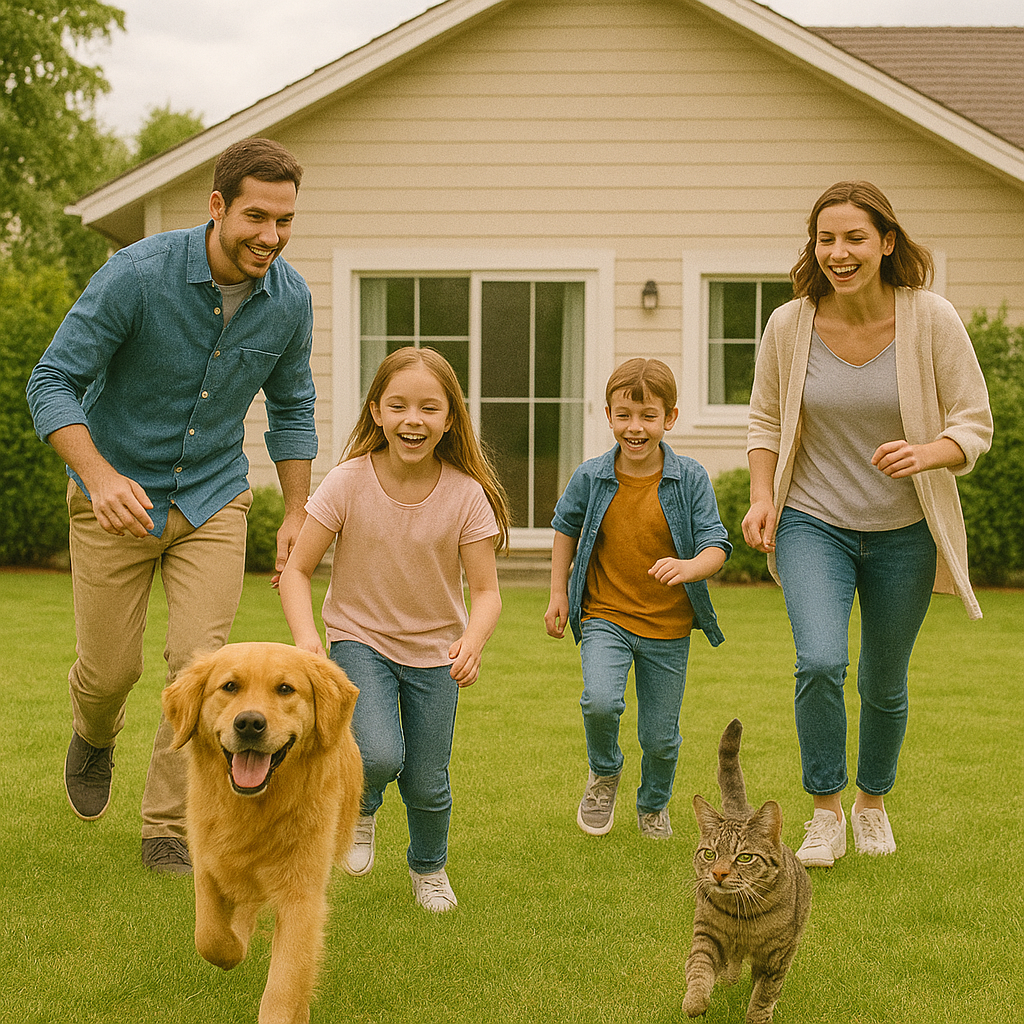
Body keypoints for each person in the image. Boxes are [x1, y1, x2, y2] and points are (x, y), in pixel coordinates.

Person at [26, 137, 318, 875]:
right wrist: (98, 475)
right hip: (114, 498)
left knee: (199, 666)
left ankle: (168, 826)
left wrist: (295, 512)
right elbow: (52, 381)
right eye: (257, 217)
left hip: (213, 498)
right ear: (217, 206)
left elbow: (292, 407)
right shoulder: (136, 276)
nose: (270, 237)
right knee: (111, 669)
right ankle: (94, 729)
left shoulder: (290, 300)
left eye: (284, 221)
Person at [741, 180, 992, 868]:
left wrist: (929, 450)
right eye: (826, 238)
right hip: (811, 521)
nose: (838, 252)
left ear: (886, 243)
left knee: (884, 678)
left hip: (904, 528)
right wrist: (763, 497)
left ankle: (872, 803)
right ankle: (824, 811)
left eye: (854, 238)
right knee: (819, 660)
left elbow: (974, 422)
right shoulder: (789, 326)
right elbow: (765, 420)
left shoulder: (931, 319)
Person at [279, 346, 510, 912]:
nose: (414, 420)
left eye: (429, 408)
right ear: (377, 412)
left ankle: (429, 870)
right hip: (361, 640)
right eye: (399, 406)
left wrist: (472, 643)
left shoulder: (465, 495)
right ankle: (361, 807)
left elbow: (486, 593)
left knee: (428, 782)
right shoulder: (346, 482)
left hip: (436, 653)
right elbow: (296, 571)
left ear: (449, 419)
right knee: (378, 754)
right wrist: (309, 638)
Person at [545, 358, 731, 839]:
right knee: (601, 702)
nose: (635, 427)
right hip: (607, 615)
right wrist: (558, 595)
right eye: (624, 414)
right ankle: (604, 772)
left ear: (669, 418)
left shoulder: (689, 479)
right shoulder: (592, 476)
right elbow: (565, 528)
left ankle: (653, 805)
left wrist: (690, 567)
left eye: (648, 415)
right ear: (608, 415)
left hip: (668, 627)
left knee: (660, 739)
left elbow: (716, 543)